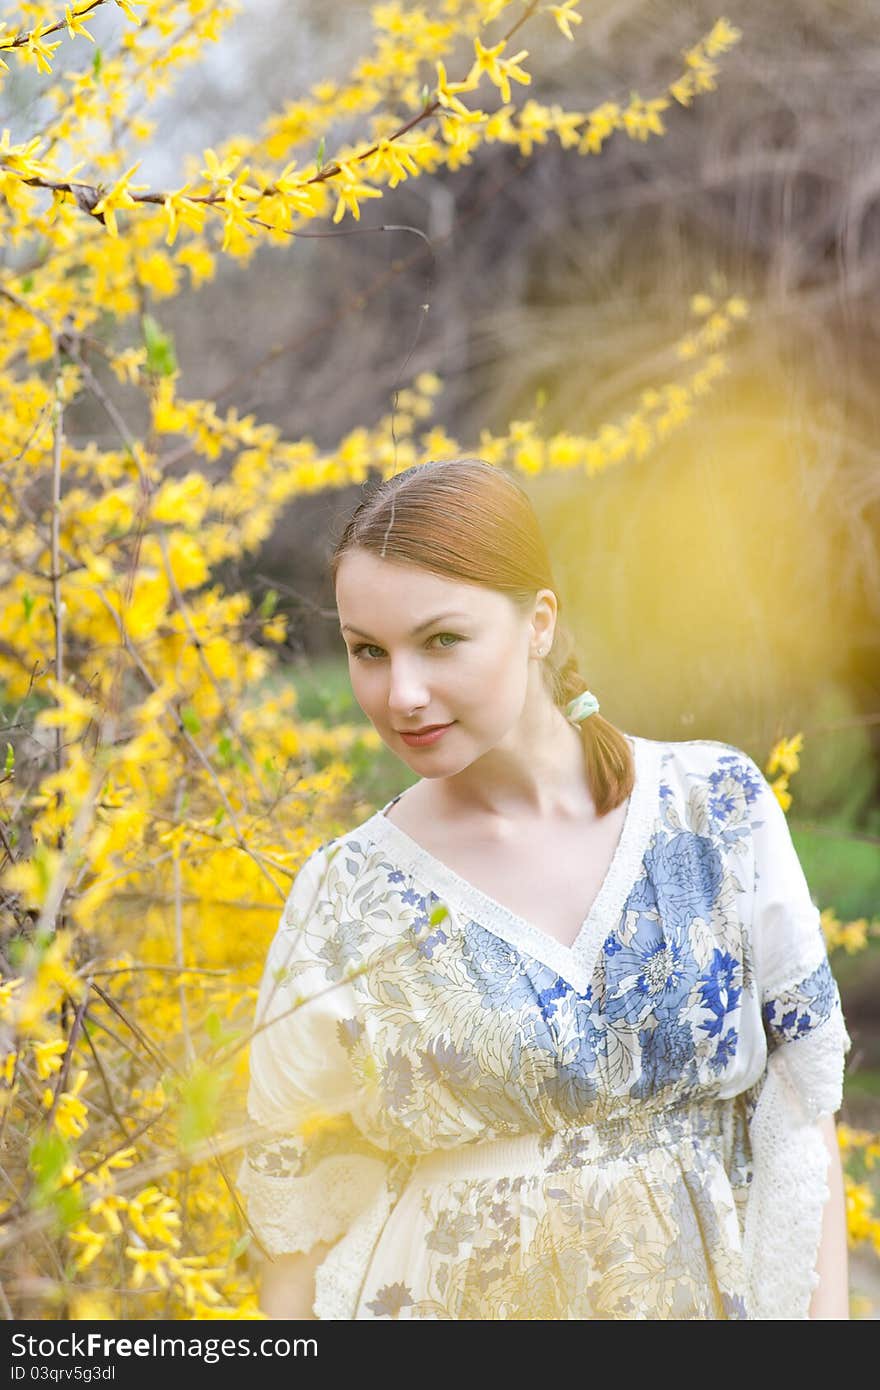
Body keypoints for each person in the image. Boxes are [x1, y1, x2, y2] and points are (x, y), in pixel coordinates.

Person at [236, 457, 852, 1320]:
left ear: (538, 623)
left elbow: (800, 1112)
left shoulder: (717, 808)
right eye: (367, 652)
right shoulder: (349, 893)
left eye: (441, 640)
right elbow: (289, 1209)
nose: (400, 693)